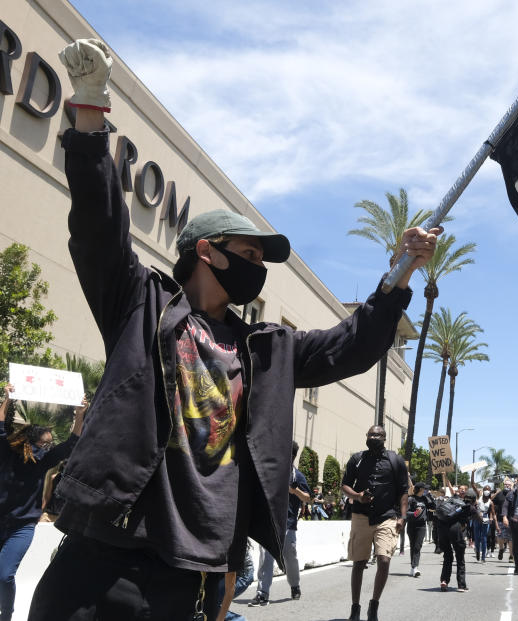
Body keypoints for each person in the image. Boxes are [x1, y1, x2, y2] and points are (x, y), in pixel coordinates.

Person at [32, 38, 439, 621]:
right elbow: (98, 224)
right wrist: (90, 110)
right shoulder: (140, 303)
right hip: (100, 561)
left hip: (191, 576)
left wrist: (401, 272)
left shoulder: (268, 350)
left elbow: (352, 346)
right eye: (248, 252)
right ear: (207, 252)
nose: (258, 264)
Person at [0, 385, 86, 621]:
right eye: (44, 444)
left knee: (4, 575)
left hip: (22, 527)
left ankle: (6, 614)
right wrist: (7, 399)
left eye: (49, 445)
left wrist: (79, 415)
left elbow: (70, 444)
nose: (48, 448)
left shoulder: (44, 461)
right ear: (30, 442)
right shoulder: (6, 453)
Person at [342, 426, 410, 621]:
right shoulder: (357, 459)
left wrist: (402, 516)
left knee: (384, 560)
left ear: (384, 438)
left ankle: (374, 605)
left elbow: (403, 491)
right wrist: (357, 496)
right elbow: (345, 484)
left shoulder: (395, 460)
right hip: (361, 516)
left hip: (386, 517)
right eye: (371, 434)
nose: (374, 437)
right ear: (366, 437)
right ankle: (355, 608)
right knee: (359, 562)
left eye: (378, 435)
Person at [248, 442, 312, 606]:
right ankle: (263, 593)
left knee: (290, 558)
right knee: (266, 557)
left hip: (288, 524)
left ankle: (295, 585)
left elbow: (308, 498)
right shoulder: (271, 473)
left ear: (292, 456)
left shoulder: (297, 477)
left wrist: (294, 490)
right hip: (270, 522)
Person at [435, 484, 471, 591]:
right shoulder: (464, 505)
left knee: (447, 556)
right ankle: (461, 585)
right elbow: (464, 523)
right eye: (461, 489)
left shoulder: (447, 501)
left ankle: (444, 581)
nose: (462, 491)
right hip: (455, 529)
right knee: (460, 557)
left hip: (441, 530)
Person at [407, 482, 434, 577]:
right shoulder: (411, 499)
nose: (425, 490)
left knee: (418, 546)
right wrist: (414, 513)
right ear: (420, 489)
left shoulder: (425, 498)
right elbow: (405, 512)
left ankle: (415, 567)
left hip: (422, 525)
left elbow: (433, 507)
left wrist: (429, 495)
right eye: (424, 489)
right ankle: (413, 567)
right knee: (413, 546)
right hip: (411, 525)